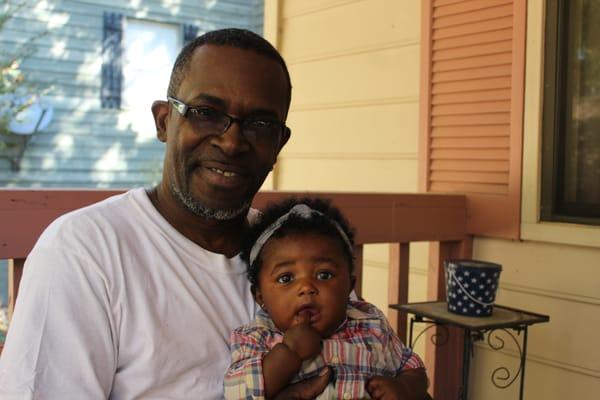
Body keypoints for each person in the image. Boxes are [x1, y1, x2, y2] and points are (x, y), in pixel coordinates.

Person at [0, 28, 330, 399]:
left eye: (260, 124)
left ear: (278, 145)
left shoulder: (294, 251)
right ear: (163, 121)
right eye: (206, 113)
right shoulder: (85, 251)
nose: (232, 142)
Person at [224, 198, 429, 400]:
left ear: (350, 285)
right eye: (286, 278)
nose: (306, 287)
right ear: (260, 297)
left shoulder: (370, 322)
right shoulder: (256, 337)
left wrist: (404, 388)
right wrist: (289, 352)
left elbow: (412, 366)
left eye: (324, 275)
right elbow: (237, 393)